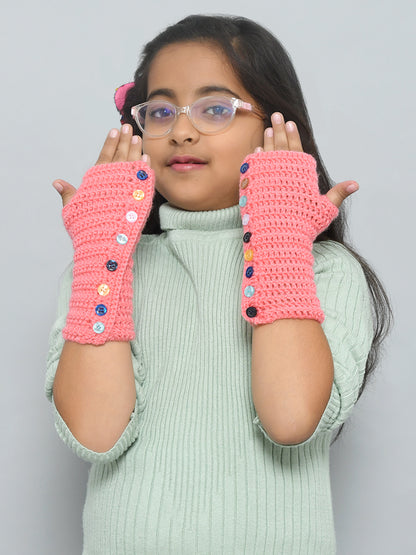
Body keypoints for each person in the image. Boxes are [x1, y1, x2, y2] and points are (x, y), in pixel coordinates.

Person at [45, 14, 392, 555]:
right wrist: (101, 253)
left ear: (277, 126)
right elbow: (95, 433)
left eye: (215, 109)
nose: (181, 131)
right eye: (160, 111)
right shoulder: (103, 270)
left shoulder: (325, 269)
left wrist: (278, 236)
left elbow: (290, 419)